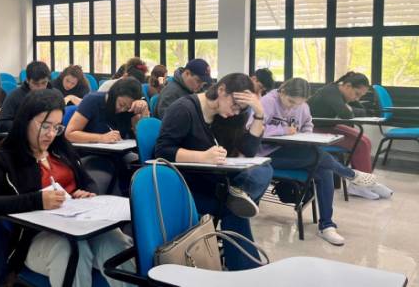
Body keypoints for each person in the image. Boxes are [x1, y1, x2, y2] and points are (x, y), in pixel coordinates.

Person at [0, 89, 134, 287]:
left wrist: (85, 193)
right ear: (26, 120)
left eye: (57, 127)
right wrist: (37, 200)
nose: (51, 134)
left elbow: (87, 181)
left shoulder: (60, 147)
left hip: (78, 226)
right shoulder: (6, 158)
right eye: (45, 126)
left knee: (116, 241)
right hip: (34, 238)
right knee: (72, 251)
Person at [154, 73, 273, 271]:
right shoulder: (184, 109)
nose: (235, 112)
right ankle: (246, 271)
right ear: (221, 90)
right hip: (190, 186)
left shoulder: (229, 116)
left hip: (218, 180)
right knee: (233, 210)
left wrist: (259, 114)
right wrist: (202, 157)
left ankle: (237, 194)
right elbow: (162, 151)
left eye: (241, 109)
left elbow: (249, 150)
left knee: (264, 168)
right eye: (235, 105)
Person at [257, 78, 384, 246]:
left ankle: (327, 225)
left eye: (298, 104)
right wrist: (283, 130)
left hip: (294, 152)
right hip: (267, 154)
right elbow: (253, 130)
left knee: (324, 170)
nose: (292, 107)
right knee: (318, 158)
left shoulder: (302, 106)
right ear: (282, 91)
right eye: (290, 102)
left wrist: (306, 136)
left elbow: (307, 125)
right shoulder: (266, 102)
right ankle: (350, 174)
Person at [307, 71, 387, 199]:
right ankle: (360, 185)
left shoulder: (343, 95)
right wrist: (348, 109)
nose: (357, 98)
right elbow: (347, 115)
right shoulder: (331, 91)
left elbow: (362, 111)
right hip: (312, 129)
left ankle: (367, 182)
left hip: (327, 126)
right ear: (348, 86)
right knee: (360, 143)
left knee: (366, 141)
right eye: (357, 94)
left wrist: (348, 108)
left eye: (360, 96)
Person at [65, 77, 149, 143]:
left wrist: (143, 111)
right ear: (114, 95)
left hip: (119, 153)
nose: (122, 110)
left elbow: (141, 138)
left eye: (127, 108)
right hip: (91, 153)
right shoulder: (92, 101)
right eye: (121, 104)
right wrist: (101, 138)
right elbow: (69, 134)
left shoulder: (130, 108)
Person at [0, 61, 56, 134]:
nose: (40, 88)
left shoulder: (54, 95)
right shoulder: (14, 96)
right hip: (22, 136)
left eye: (44, 83)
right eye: (36, 84)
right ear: (27, 80)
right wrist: (26, 126)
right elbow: (1, 124)